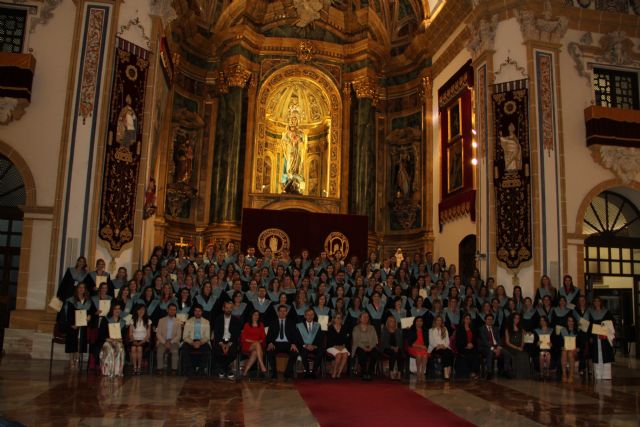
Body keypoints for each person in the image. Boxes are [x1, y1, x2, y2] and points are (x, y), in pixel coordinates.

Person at [59, 282, 93, 370]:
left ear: (85, 289)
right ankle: (71, 360)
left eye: (83, 287)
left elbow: (90, 312)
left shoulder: (88, 301)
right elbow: (67, 314)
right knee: (72, 342)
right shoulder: (71, 300)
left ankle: (77, 359)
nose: (81, 289)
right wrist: (71, 324)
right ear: (77, 289)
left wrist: (89, 316)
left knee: (79, 342)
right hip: (73, 325)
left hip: (83, 325)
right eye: (80, 287)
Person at [266, 304, 299, 379]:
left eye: (284, 311)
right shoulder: (273, 322)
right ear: (278, 312)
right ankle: (274, 373)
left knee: (294, 353)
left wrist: (293, 344)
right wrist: (270, 343)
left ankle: (287, 373)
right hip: (276, 344)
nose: (283, 313)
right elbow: (269, 335)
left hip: (288, 344)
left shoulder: (291, 322)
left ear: (287, 312)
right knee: (270, 352)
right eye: (281, 311)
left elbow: (295, 335)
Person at [478, 313, 512, 379]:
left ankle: (505, 371)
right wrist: (493, 349)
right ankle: (489, 372)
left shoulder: (496, 329)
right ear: (485, 320)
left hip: (496, 346)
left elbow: (499, 340)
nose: (490, 321)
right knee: (490, 353)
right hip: (486, 347)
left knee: (507, 353)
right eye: (488, 319)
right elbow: (485, 342)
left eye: (491, 320)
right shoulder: (481, 329)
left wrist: (498, 348)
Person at [213, 301, 242, 379]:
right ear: (223, 308)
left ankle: (222, 369)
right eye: (227, 308)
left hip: (231, 340)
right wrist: (222, 344)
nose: (228, 310)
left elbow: (236, 334)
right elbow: (216, 333)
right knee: (217, 351)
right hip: (220, 340)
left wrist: (228, 344)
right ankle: (228, 370)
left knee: (233, 352)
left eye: (230, 308)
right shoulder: (218, 319)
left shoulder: (236, 320)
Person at [588, 297, 615, 380]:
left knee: (605, 354)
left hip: (604, 338)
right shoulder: (591, 313)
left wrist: (605, 325)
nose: (596, 302)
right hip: (595, 337)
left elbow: (612, 322)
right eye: (595, 301)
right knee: (597, 355)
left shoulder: (606, 312)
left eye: (598, 301)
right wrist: (590, 336)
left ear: (601, 302)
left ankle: (606, 375)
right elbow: (589, 326)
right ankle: (598, 375)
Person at [181, 305, 212, 376]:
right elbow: (185, 336)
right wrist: (192, 342)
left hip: (202, 341)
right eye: (196, 311)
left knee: (207, 349)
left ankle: (201, 369)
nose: (197, 313)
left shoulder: (206, 322)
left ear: (202, 312)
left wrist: (200, 342)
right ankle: (190, 369)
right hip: (191, 341)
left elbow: (207, 337)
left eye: (199, 311)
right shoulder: (188, 321)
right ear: (193, 312)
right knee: (184, 348)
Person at [98, 302, 126, 378]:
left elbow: (124, 336)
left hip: (118, 341)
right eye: (115, 309)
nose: (117, 310)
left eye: (119, 309)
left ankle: (117, 371)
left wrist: (119, 339)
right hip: (107, 341)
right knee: (109, 348)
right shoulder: (106, 319)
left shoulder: (123, 322)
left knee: (120, 348)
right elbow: (101, 334)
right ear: (112, 310)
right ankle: (107, 371)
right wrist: (109, 339)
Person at [296, 307, 324, 378]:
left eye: (311, 314)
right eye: (308, 315)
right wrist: (305, 345)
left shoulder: (317, 325)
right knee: (303, 353)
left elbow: (320, 338)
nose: (310, 316)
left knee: (320, 352)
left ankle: (314, 372)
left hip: (314, 346)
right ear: (305, 316)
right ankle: (307, 372)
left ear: (314, 316)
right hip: (304, 347)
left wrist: (314, 346)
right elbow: (298, 339)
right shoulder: (300, 326)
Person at [352, 311, 379, 381]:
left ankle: (370, 372)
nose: (365, 318)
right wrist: (364, 348)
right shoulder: (356, 328)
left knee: (375, 354)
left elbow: (375, 339)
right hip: (359, 346)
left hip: (370, 346)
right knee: (362, 353)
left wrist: (371, 347)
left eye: (367, 317)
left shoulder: (372, 328)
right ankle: (364, 372)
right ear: (360, 318)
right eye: (364, 317)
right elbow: (356, 341)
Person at [240, 310, 268, 377]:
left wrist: (257, 342)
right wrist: (255, 342)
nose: (256, 316)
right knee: (257, 344)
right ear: (251, 316)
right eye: (254, 315)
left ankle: (245, 372)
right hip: (247, 345)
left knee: (255, 352)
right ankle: (262, 366)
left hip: (258, 347)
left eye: (257, 315)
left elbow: (263, 338)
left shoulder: (261, 325)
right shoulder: (247, 325)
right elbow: (244, 338)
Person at [156, 303, 182, 373]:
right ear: (167, 310)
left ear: (176, 311)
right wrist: (165, 342)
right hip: (163, 341)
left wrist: (171, 342)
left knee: (175, 351)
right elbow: (158, 334)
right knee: (160, 351)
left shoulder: (178, 321)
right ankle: (160, 369)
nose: (172, 311)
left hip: (173, 341)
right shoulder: (161, 320)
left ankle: (174, 369)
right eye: (170, 309)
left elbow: (179, 335)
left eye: (174, 310)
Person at [504, 313, 531, 379]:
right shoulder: (508, 329)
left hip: (519, 347)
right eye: (515, 318)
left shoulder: (521, 329)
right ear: (512, 319)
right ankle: (518, 375)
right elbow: (507, 342)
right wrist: (517, 348)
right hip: (511, 347)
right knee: (519, 355)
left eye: (518, 318)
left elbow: (523, 339)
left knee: (525, 355)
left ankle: (525, 375)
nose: (516, 319)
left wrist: (521, 346)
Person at [428, 315, 454, 380]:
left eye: (440, 320)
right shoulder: (431, 330)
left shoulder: (445, 329)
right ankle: (446, 370)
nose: (438, 322)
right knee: (445, 353)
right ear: (435, 321)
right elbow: (431, 342)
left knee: (450, 352)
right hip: (435, 348)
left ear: (442, 321)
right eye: (437, 320)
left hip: (444, 347)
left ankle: (448, 367)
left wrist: (443, 346)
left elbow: (447, 341)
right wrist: (438, 346)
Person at [455, 313, 480, 379]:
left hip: (471, 346)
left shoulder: (472, 328)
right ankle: (469, 372)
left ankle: (474, 372)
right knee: (468, 353)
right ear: (463, 319)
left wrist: (472, 344)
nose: (468, 320)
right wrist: (466, 345)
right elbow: (458, 340)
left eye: (469, 319)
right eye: (466, 318)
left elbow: (475, 339)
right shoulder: (460, 328)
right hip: (462, 346)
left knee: (475, 353)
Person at [129, 304, 151, 375]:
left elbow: (148, 335)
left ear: (145, 311)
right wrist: (134, 341)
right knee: (133, 348)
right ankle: (134, 367)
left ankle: (139, 367)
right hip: (134, 340)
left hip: (144, 340)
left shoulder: (148, 321)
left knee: (139, 348)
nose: (141, 311)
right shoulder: (132, 320)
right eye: (139, 310)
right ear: (137, 311)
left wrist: (141, 342)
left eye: (143, 310)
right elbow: (130, 334)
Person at [326, 313, 350, 379]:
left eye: (340, 318)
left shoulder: (344, 327)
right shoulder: (330, 327)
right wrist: (335, 346)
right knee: (339, 355)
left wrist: (343, 345)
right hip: (331, 346)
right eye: (337, 318)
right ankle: (334, 371)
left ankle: (339, 372)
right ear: (334, 319)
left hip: (341, 346)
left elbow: (345, 339)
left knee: (345, 354)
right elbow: (329, 340)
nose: (339, 319)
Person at [406, 317, 429, 381]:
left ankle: (422, 371)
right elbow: (409, 342)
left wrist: (425, 346)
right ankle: (418, 371)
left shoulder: (425, 330)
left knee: (425, 355)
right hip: (413, 346)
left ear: (423, 322)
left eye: (421, 321)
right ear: (415, 322)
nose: (419, 322)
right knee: (418, 354)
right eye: (417, 321)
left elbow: (427, 341)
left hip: (422, 347)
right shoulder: (411, 330)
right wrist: (420, 346)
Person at [560, 316, 579, 383]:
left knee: (570, 353)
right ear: (567, 322)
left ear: (574, 322)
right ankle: (564, 374)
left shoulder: (578, 330)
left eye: (572, 321)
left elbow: (580, 342)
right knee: (564, 352)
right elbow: (560, 342)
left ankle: (571, 375)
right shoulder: (563, 330)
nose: (570, 322)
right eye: (569, 321)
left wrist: (577, 348)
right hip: (566, 349)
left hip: (574, 350)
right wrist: (562, 347)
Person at [534, 316, 553, 380]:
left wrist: (551, 344)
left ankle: (547, 372)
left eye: (544, 320)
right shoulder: (536, 331)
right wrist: (537, 343)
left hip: (549, 350)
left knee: (548, 355)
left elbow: (555, 342)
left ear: (547, 321)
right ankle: (541, 373)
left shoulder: (551, 330)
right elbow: (534, 343)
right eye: (541, 321)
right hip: (539, 350)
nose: (542, 322)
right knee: (541, 355)